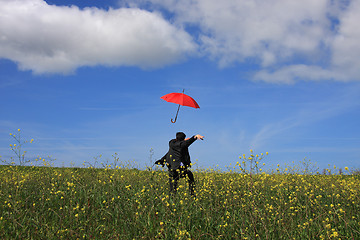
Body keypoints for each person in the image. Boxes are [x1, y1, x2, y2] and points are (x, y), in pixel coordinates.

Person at [155, 132, 204, 196]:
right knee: (190, 176)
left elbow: (180, 143)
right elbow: (187, 143)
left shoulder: (171, 143)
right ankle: (192, 194)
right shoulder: (182, 145)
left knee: (173, 187)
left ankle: (171, 200)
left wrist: (183, 140)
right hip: (179, 168)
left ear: (176, 138)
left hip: (171, 168)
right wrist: (195, 137)